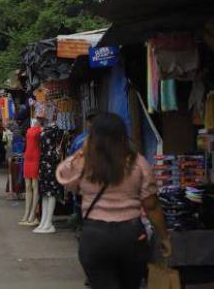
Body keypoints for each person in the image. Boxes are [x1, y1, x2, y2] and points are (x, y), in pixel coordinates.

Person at [57, 112, 171, 289]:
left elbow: (64, 179)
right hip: (131, 236)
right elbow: (151, 205)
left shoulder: (84, 163)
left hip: (95, 236)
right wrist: (164, 237)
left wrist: (82, 151)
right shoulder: (137, 163)